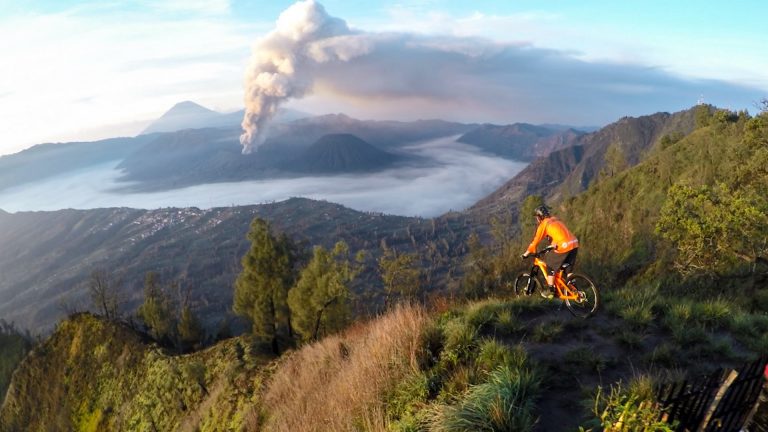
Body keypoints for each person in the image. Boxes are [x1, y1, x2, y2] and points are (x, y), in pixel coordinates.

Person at [521, 205, 579, 297]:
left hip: (564, 245)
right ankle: (574, 289)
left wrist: (526, 254)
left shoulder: (544, 224)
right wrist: (551, 247)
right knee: (568, 267)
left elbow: (535, 242)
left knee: (550, 266)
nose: (537, 219)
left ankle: (551, 290)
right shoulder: (555, 219)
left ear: (539, 217)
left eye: (537, 217)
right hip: (574, 243)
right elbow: (559, 234)